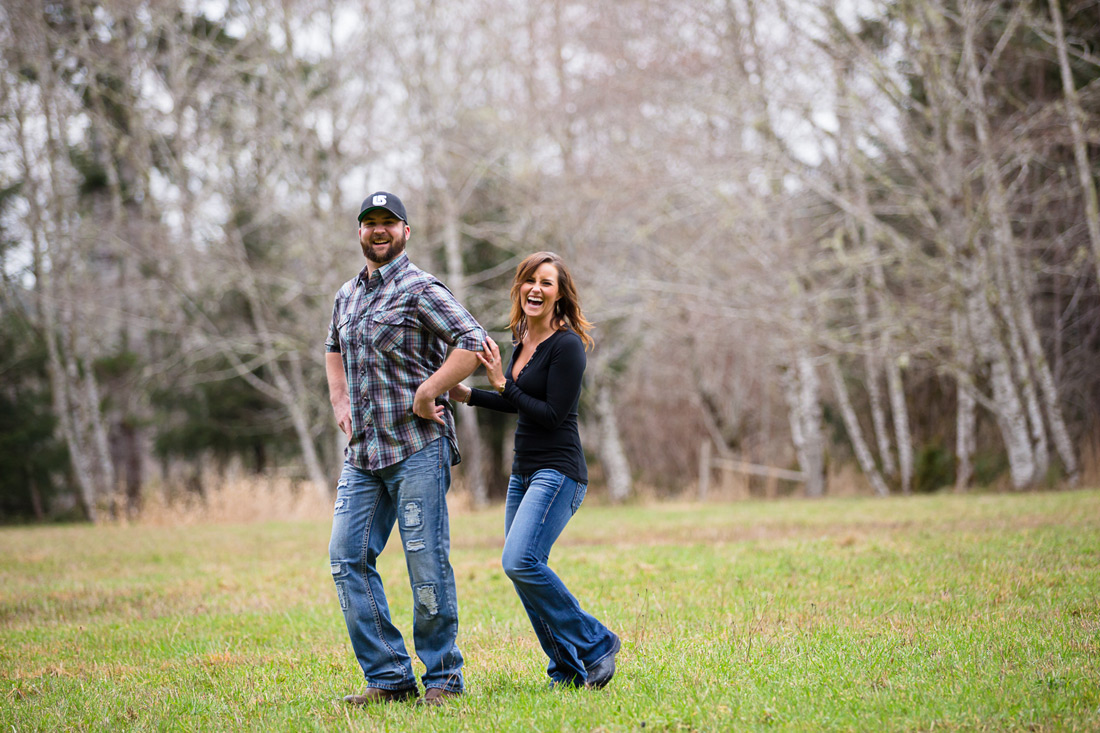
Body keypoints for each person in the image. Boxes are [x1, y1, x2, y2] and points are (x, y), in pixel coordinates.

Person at [325, 191, 486, 707]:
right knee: (346, 558)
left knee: (425, 563)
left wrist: (428, 390)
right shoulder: (346, 295)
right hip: (364, 453)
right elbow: (333, 348)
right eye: (370, 222)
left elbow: (474, 340)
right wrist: (339, 398)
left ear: (405, 231)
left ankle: (443, 679)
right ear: (359, 232)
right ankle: (390, 677)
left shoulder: (420, 289)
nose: (379, 230)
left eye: (388, 222)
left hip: (417, 447)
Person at [449, 251, 621, 689]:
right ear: (520, 287)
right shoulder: (521, 339)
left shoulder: (567, 346)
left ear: (560, 294)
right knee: (525, 572)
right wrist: (469, 395)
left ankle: (595, 642)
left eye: (547, 282)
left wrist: (502, 383)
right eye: (530, 280)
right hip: (523, 474)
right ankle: (566, 669)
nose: (536, 289)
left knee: (519, 560)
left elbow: (550, 414)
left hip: (559, 473)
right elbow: (517, 402)